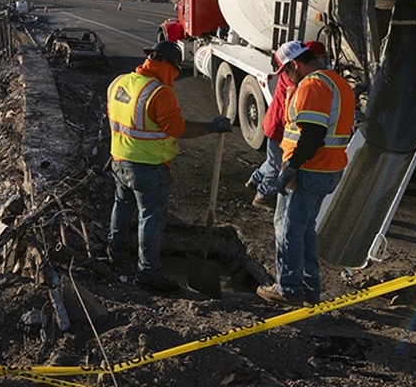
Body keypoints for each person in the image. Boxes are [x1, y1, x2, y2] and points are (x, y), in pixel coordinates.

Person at [107, 41, 232, 295]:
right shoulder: (159, 93)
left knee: (121, 206)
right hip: (148, 168)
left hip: (119, 160)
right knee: (150, 218)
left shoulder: (120, 82)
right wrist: (211, 126)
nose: (175, 76)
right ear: (167, 66)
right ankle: (148, 273)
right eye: (175, 70)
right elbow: (177, 129)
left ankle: (115, 250)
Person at [257, 41, 355, 306]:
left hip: (309, 170)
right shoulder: (338, 83)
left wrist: (290, 168)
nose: (286, 79)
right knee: (306, 230)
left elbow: (312, 135)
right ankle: (311, 290)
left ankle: (287, 289)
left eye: (285, 73)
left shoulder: (313, 85)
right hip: (329, 169)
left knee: (288, 231)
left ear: (294, 64)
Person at [246, 40, 327, 210]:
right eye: (317, 59)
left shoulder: (295, 74)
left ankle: (255, 180)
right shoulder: (295, 78)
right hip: (279, 128)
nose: (319, 63)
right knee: (276, 166)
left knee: (272, 159)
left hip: (276, 125)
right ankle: (263, 195)